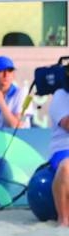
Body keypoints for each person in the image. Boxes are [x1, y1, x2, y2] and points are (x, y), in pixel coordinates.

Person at [45, 85, 69, 228]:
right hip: (65, 148)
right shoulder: (61, 95)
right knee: (66, 168)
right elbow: (67, 124)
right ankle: (63, 218)